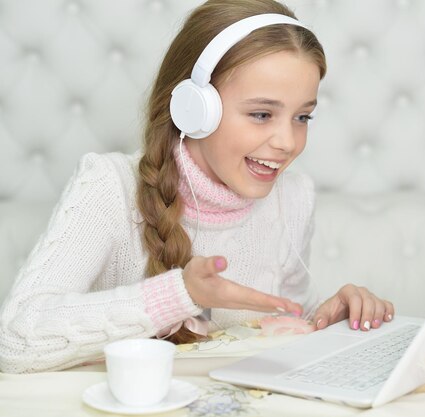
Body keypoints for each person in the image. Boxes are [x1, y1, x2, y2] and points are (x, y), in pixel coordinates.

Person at [0, 0, 394, 374]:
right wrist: (179, 294)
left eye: (302, 117)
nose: (288, 143)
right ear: (195, 108)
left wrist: (327, 319)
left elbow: (277, 325)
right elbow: (14, 342)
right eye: (261, 114)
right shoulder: (110, 186)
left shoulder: (294, 197)